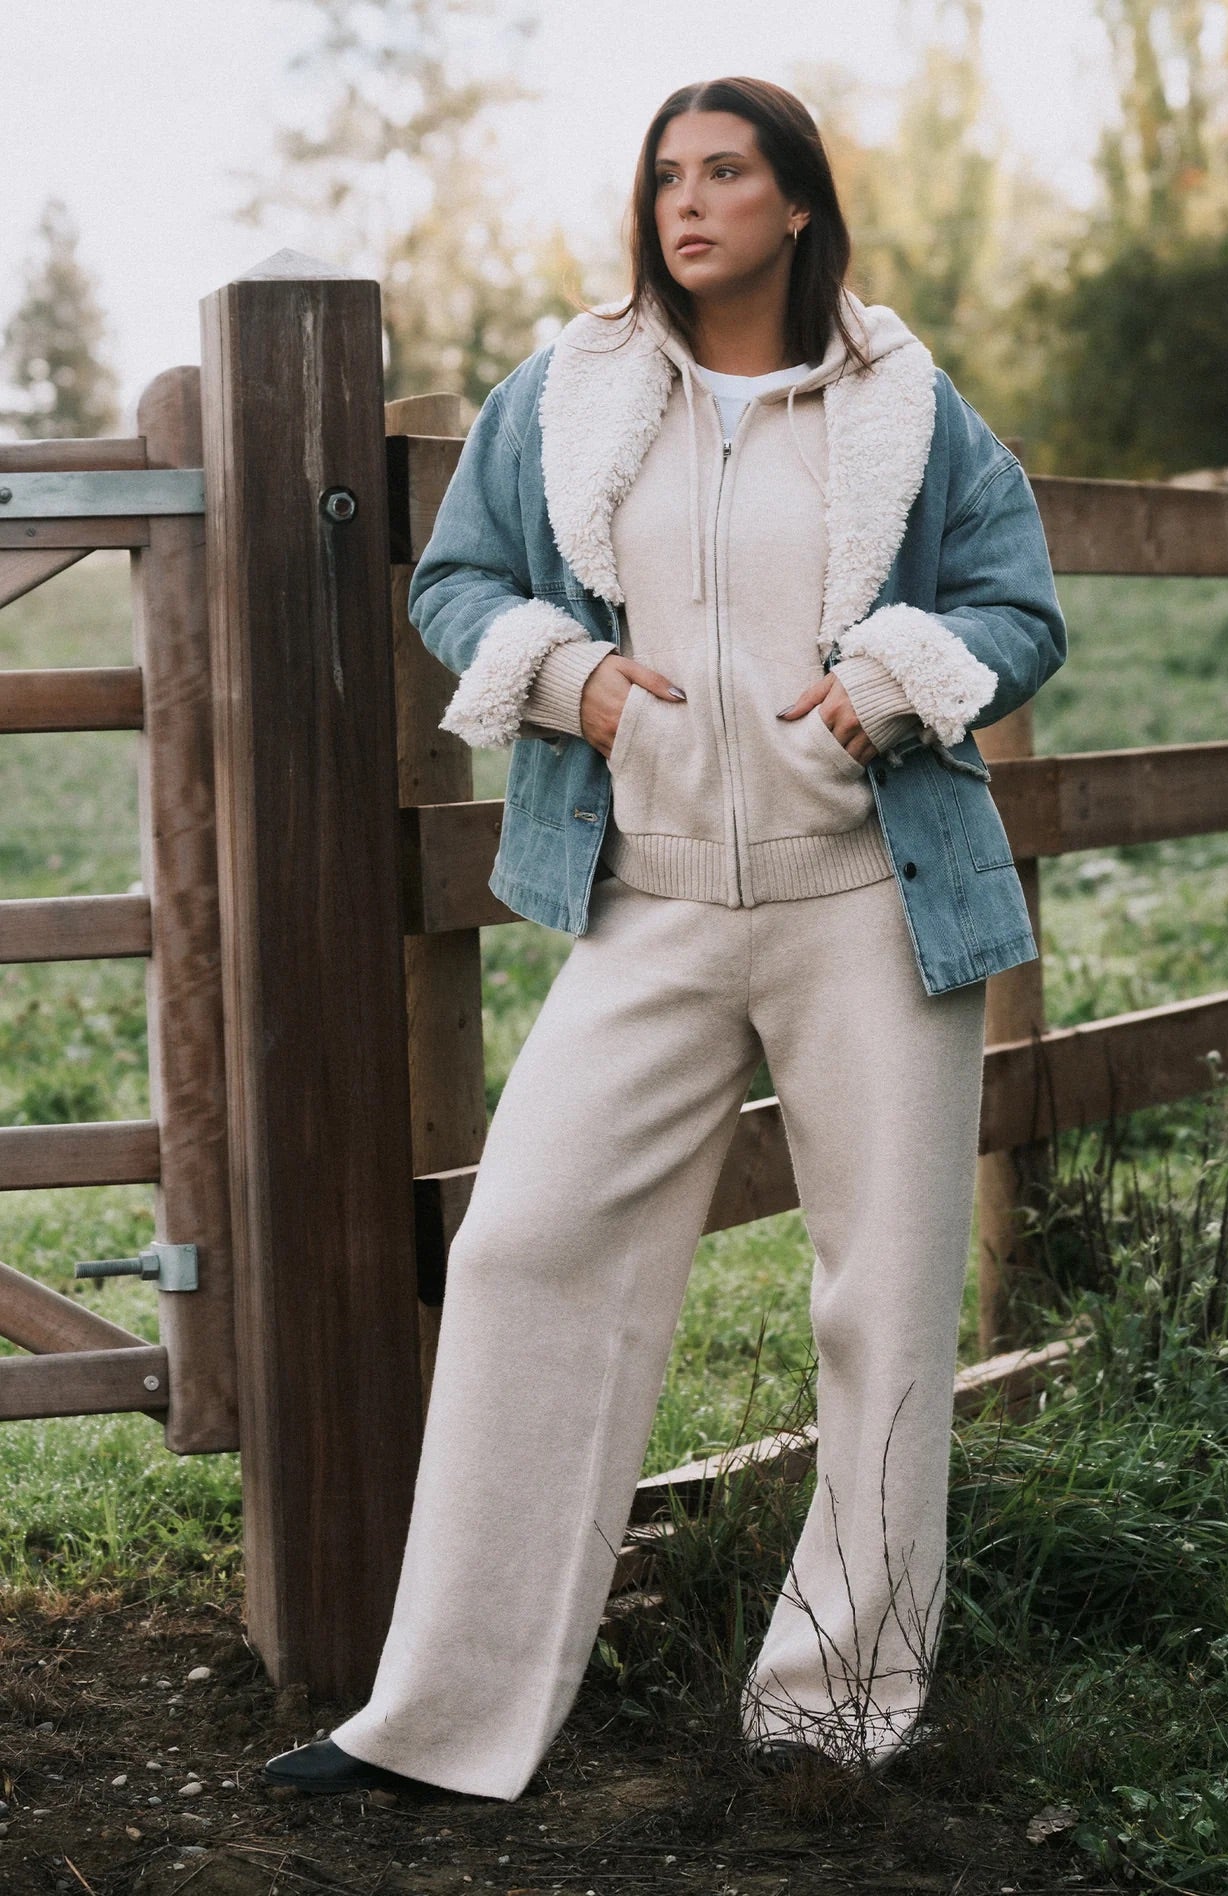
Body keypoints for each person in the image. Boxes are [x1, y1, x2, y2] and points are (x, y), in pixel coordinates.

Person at [263, 73, 1066, 1802]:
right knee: (522, 1251)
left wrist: (892, 682)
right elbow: (456, 581)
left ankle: (832, 1715)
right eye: (667, 176)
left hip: (873, 904)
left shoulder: (909, 402)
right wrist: (573, 677)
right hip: (653, 902)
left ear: (797, 202)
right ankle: (443, 1719)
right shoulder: (569, 389)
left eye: (725, 173)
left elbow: (1020, 606)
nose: (686, 202)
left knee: (885, 1309)